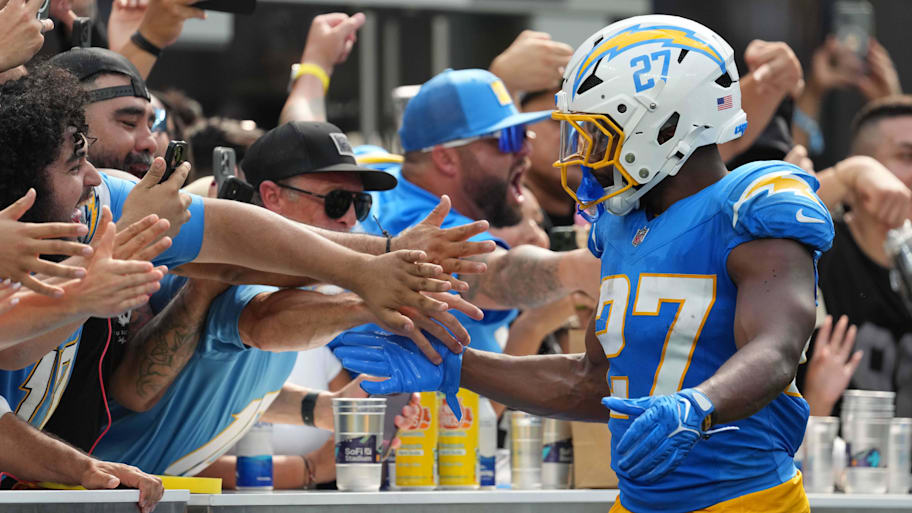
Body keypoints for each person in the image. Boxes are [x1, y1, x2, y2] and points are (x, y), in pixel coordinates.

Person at [334, 15, 834, 513]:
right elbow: (591, 383)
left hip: (746, 501)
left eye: (598, 134)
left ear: (663, 123)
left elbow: (777, 347)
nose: (583, 155)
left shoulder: (751, 203)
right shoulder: (623, 227)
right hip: (637, 503)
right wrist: (457, 366)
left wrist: (699, 404)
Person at [90, 123, 443, 481]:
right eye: (336, 200)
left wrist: (324, 409)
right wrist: (370, 303)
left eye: (360, 204)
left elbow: (230, 386)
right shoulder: (232, 272)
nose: (349, 217)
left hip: (129, 493)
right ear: (272, 196)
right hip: (88, 494)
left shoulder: (294, 283)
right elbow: (264, 323)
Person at [801, 96, 912, 417]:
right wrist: (849, 174)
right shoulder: (822, 245)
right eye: (906, 155)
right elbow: (763, 218)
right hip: (819, 458)